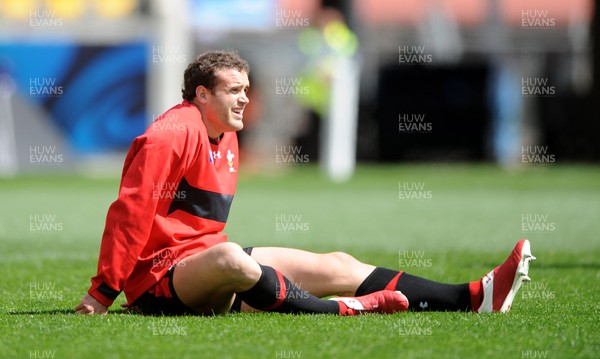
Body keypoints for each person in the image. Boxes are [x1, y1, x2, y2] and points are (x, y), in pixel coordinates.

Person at [75, 50, 535, 316]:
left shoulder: (227, 137)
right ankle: (345, 310)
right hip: (158, 284)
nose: (245, 98)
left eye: (247, 88)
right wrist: (103, 294)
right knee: (233, 257)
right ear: (201, 95)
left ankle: (472, 297)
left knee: (336, 262)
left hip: (203, 269)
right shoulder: (170, 134)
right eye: (234, 89)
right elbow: (129, 215)